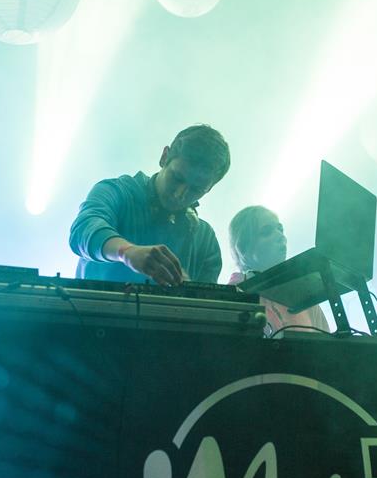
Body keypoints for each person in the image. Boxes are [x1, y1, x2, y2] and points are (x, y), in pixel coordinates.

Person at [69, 125, 229, 285]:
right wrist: (127, 252)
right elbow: (82, 231)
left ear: (210, 188)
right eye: (177, 178)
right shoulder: (114, 192)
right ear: (164, 157)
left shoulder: (206, 241)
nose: (180, 194)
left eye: (196, 189)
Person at [228, 205, 331, 336]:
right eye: (266, 232)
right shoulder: (231, 297)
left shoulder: (305, 297)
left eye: (280, 229)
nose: (281, 236)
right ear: (243, 248)